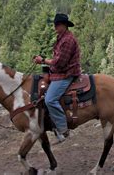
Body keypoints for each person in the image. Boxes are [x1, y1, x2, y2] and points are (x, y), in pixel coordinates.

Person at [34, 13, 81, 142]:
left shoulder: (68, 40)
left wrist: (43, 60)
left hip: (67, 73)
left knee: (50, 99)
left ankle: (63, 129)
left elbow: (60, 62)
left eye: (57, 24)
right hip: (59, 71)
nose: (55, 26)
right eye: (55, 24)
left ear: (64, 25)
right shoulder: (61, 37)